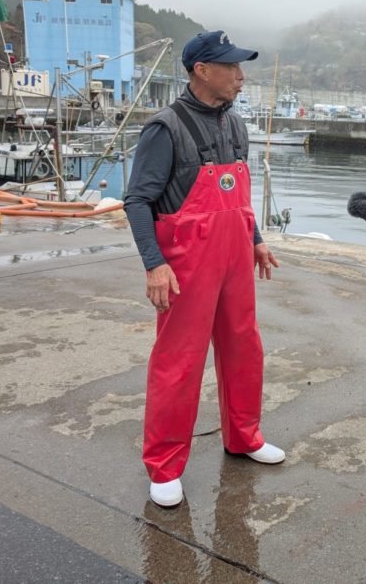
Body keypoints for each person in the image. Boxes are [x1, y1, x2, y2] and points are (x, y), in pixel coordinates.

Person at [124, 30, 284, 509]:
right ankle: (165, 465)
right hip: (186, 264)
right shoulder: (164, 128)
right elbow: (137, 201)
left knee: (244, 347)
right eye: (232, 67)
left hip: (235, 256)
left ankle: (244, 436)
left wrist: (254, 240)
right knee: (179, 361)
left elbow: (236, 195)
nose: (241, 76)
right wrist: (154, 265)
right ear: (202, 71)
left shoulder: (236, 126)